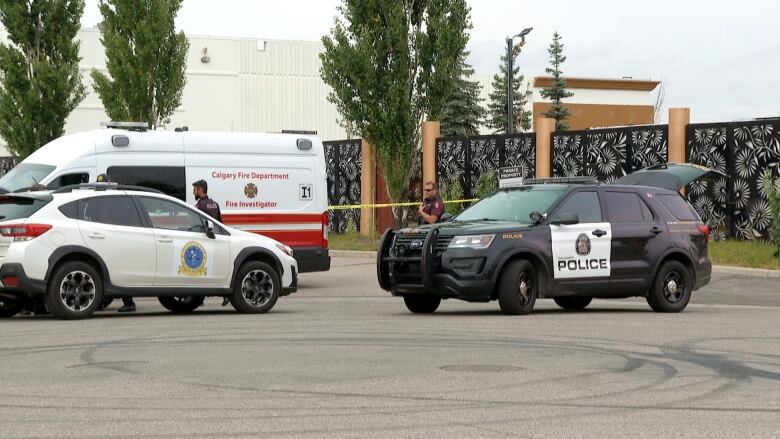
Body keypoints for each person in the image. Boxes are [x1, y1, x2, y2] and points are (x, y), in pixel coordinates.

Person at [95, 174, 136, 313]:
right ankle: (99, 301)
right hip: (102, 239)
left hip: (119, 239)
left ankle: (129, 302)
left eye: (104, 186)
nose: (102, 189)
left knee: (120, 268)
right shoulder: (98, 201)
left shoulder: (119, 201)